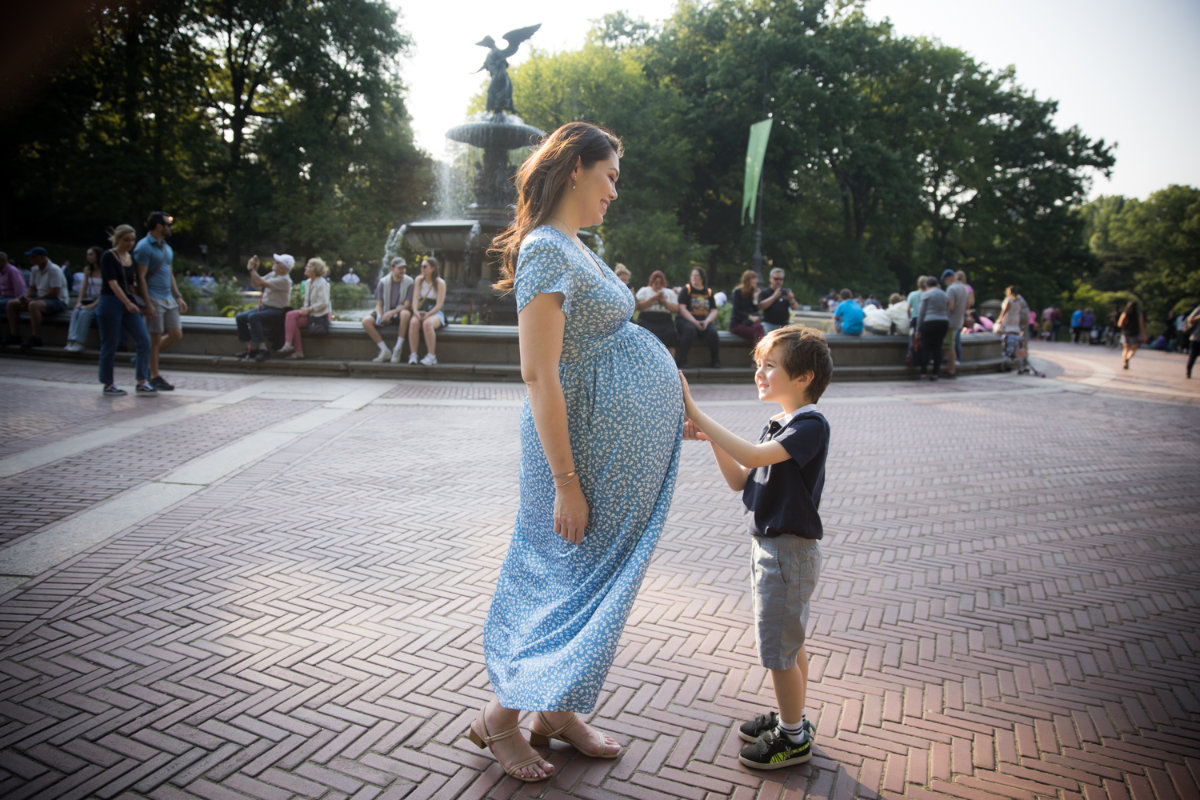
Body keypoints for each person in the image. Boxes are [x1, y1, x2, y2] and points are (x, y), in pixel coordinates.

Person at [469, 121, 682, 784]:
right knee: (566, 583)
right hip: (575, 457)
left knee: (595, 582)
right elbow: (539, 373)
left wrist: (683, 411)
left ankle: (555, 713)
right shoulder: (545, 251)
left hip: (602, 453)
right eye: (610, 175)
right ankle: (499, 719)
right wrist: (566, 481)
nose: (615, 190)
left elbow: (625, 341)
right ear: (574, 169)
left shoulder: (575, 247)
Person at [679, 325, 831, 769]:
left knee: (779, 652)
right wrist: (711, 442)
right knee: (790, 644)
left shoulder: (810, 424)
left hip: (787, 552)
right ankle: (793, 717)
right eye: (758, 365)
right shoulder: (780, 423)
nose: (759, 373)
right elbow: (740, 480)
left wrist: (697, 411)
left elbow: (757, 456)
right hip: (773, 549)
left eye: (770, 366)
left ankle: (792, 737)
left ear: (803, 377)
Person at [97, 225, 156, 396]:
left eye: (132, 240)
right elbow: (112, 283)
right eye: (126, 240)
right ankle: (108, 383)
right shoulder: (109, 256)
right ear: (117, 239)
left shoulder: (131, 258)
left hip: (129, 302)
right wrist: (127, 303)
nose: (130, 243)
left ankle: (142, 380)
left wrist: (143, 304)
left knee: (144, 340)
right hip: (111, 302)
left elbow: (131, 284)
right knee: (110, 343)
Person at [134, 211, 187, 391]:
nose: (171, 227)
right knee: (154, 339)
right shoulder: (143, 247)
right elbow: (140, 277)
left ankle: (145, 358)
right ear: (158, 226)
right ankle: (154, 375)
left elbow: (169, 273)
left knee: (176, 334)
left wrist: (178, 296)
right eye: (168, 224)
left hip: (168, 297)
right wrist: (147, 302)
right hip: (153, 296)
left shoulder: (166, 248)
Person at [6, 246, 68, 351]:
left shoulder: (54, 269)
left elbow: (55, 291)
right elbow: (32, 287)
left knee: (33, 305)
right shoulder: (34, 269)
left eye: (33, 257)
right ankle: (14, 334)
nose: (30, 260)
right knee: (11, 304)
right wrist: (26, 296)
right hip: (41, 299)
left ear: (42, 258)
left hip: (58, 300)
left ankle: (36, 337)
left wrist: (36, 299)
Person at [235, 254, 294, 361]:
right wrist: (254, 271)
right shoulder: (273, 274)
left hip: (277, 310)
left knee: (254, 317)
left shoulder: (285, 280)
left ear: (283, 267)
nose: (274, 263)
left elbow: (261, 282)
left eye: (277, 263)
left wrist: (252, 269)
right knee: (240, 317)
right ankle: (250, 348)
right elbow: (255, 283)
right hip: (265, 307)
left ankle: (263, 349)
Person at [362, 257, 413, 363]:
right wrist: (380, 316)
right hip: (385, 309)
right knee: (366, 321)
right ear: (392, 268)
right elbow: (379, 304)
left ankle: (398, 348)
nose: (403, 271)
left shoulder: (409, 282)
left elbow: (407, 305)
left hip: (399, 311)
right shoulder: (383, 282)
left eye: (404, 268)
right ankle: (384, 350)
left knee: (405, 314)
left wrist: (392, 313)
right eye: (400, 268)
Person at [278, 258, 331, 360]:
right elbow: (307, 301)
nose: (305, 268)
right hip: (311, 313)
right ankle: (298, 351)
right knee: (294, 323)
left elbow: (324, 303)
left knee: (290, 315)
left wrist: (309, 309)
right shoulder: (307, 283)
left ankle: (288, 344)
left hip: (320, 315)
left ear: (314, 269)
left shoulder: (322, 282)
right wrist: (304, 308)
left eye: (308, 266)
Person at [404, 257, 446, 365]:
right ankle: (413, 354)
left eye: (425, 266)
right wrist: (416, 312)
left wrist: (429, 314)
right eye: (421, 266)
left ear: (433, 268)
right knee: (413, 323)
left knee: (427, 324)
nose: (422, 268)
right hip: (421, 310)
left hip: (435, 311)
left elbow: (439, 304)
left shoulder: (440, 283)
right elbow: (415, 299)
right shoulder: (419, 280)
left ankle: (432, 356)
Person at [676, 266, 721, 368]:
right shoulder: (686, 290)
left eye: (696, 275)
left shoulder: (708, 292)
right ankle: (682, 360)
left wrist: (707, 321)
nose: (693, 278)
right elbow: (682, 309)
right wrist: (695, 322)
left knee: (713, 333)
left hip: (704, 320)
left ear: (702, 278)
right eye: (692, 275)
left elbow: (714, 310)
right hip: (687, 320)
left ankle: (715, 361)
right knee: (690, 330)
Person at [64, 246, 103, 352]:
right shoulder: (87, 270)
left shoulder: (104, 270)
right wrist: (79, 301)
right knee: (76, 311)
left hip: (100, 301)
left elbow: (105, 292)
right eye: (87, 254)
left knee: (85, 313)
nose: (88, 257)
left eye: (91, 254)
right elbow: (84, 287)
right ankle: (71, 339)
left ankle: (79, 342)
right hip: (90, 299)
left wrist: (93, 304)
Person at [634, 269, 678, 355]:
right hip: (647, 318)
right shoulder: (644, 290)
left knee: (671, 333)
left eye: (660, 283)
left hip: (664, 319)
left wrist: (664, 301)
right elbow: (639, 307)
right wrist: (652, 299)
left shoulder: (669, 292)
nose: (657, 285)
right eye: (656, 282)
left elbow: (675, 309)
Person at [915, 276, 949, 379]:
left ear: (927, 285)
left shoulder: (926, 295)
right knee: (938, 348)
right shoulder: (944, 295)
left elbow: (921, 313)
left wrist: (918, 328)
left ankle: (923, 372)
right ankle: (935, 373)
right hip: (943, 322)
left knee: (926, 347)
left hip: (929, 322)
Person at [942, 269, 969, 378]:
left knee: (949, 345)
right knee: (954, 342)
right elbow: (967, 306)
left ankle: (951, 369)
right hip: (959, 320)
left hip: (950, 321)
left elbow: (951, 306)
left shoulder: (951, 289)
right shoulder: (964, 288)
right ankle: (951, 365)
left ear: (949, 278)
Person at [759, 268, 800, 333]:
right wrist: (774, 296)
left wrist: (791, 299)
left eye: (781, 279)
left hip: (784, 325)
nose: (778, 281)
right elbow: (761, 306)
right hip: (768, 324)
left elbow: (796, 308)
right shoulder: (765, 292)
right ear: (770, 279)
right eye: (776, 279)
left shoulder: (785, 292)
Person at [730, 270, 766, 344]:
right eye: (754, 278)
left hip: (748, 323)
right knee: (758, 331)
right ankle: (760, 353)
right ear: (748, 280)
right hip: (737, 324)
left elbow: (755, 310)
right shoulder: (738, 292)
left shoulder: (752, 293)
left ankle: (759, 352)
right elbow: (736, 311)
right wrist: (749, 317)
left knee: (759, 327)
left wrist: (755, 298)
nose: (756, 281)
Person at [995, 285, 1030, 362]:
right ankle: (1015, 352)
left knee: (1007, 335)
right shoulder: (1019, 300)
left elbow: (1004, 311)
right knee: (1015, 335)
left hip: (1008, 318)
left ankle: (1008, 352)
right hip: (1016, 318)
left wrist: (999, 319)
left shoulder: (1009, 300)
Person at [1117, 299, 1145, 370]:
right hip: (1135, 333)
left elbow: (1119, 324)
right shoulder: (1139, 315)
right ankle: (1128, 358)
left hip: (1125, 333)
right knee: (1133, 349)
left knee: (1125, 349)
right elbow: (1141, 325)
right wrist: (1144, 334)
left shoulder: (1125, 314)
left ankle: (1124, 362)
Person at [1184, 304, 1200, 378]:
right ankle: (1188, 372)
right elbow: (1189, 319)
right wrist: (1198, 317)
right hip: (1196, 337)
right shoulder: (1199, 309)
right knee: (1193, 356)